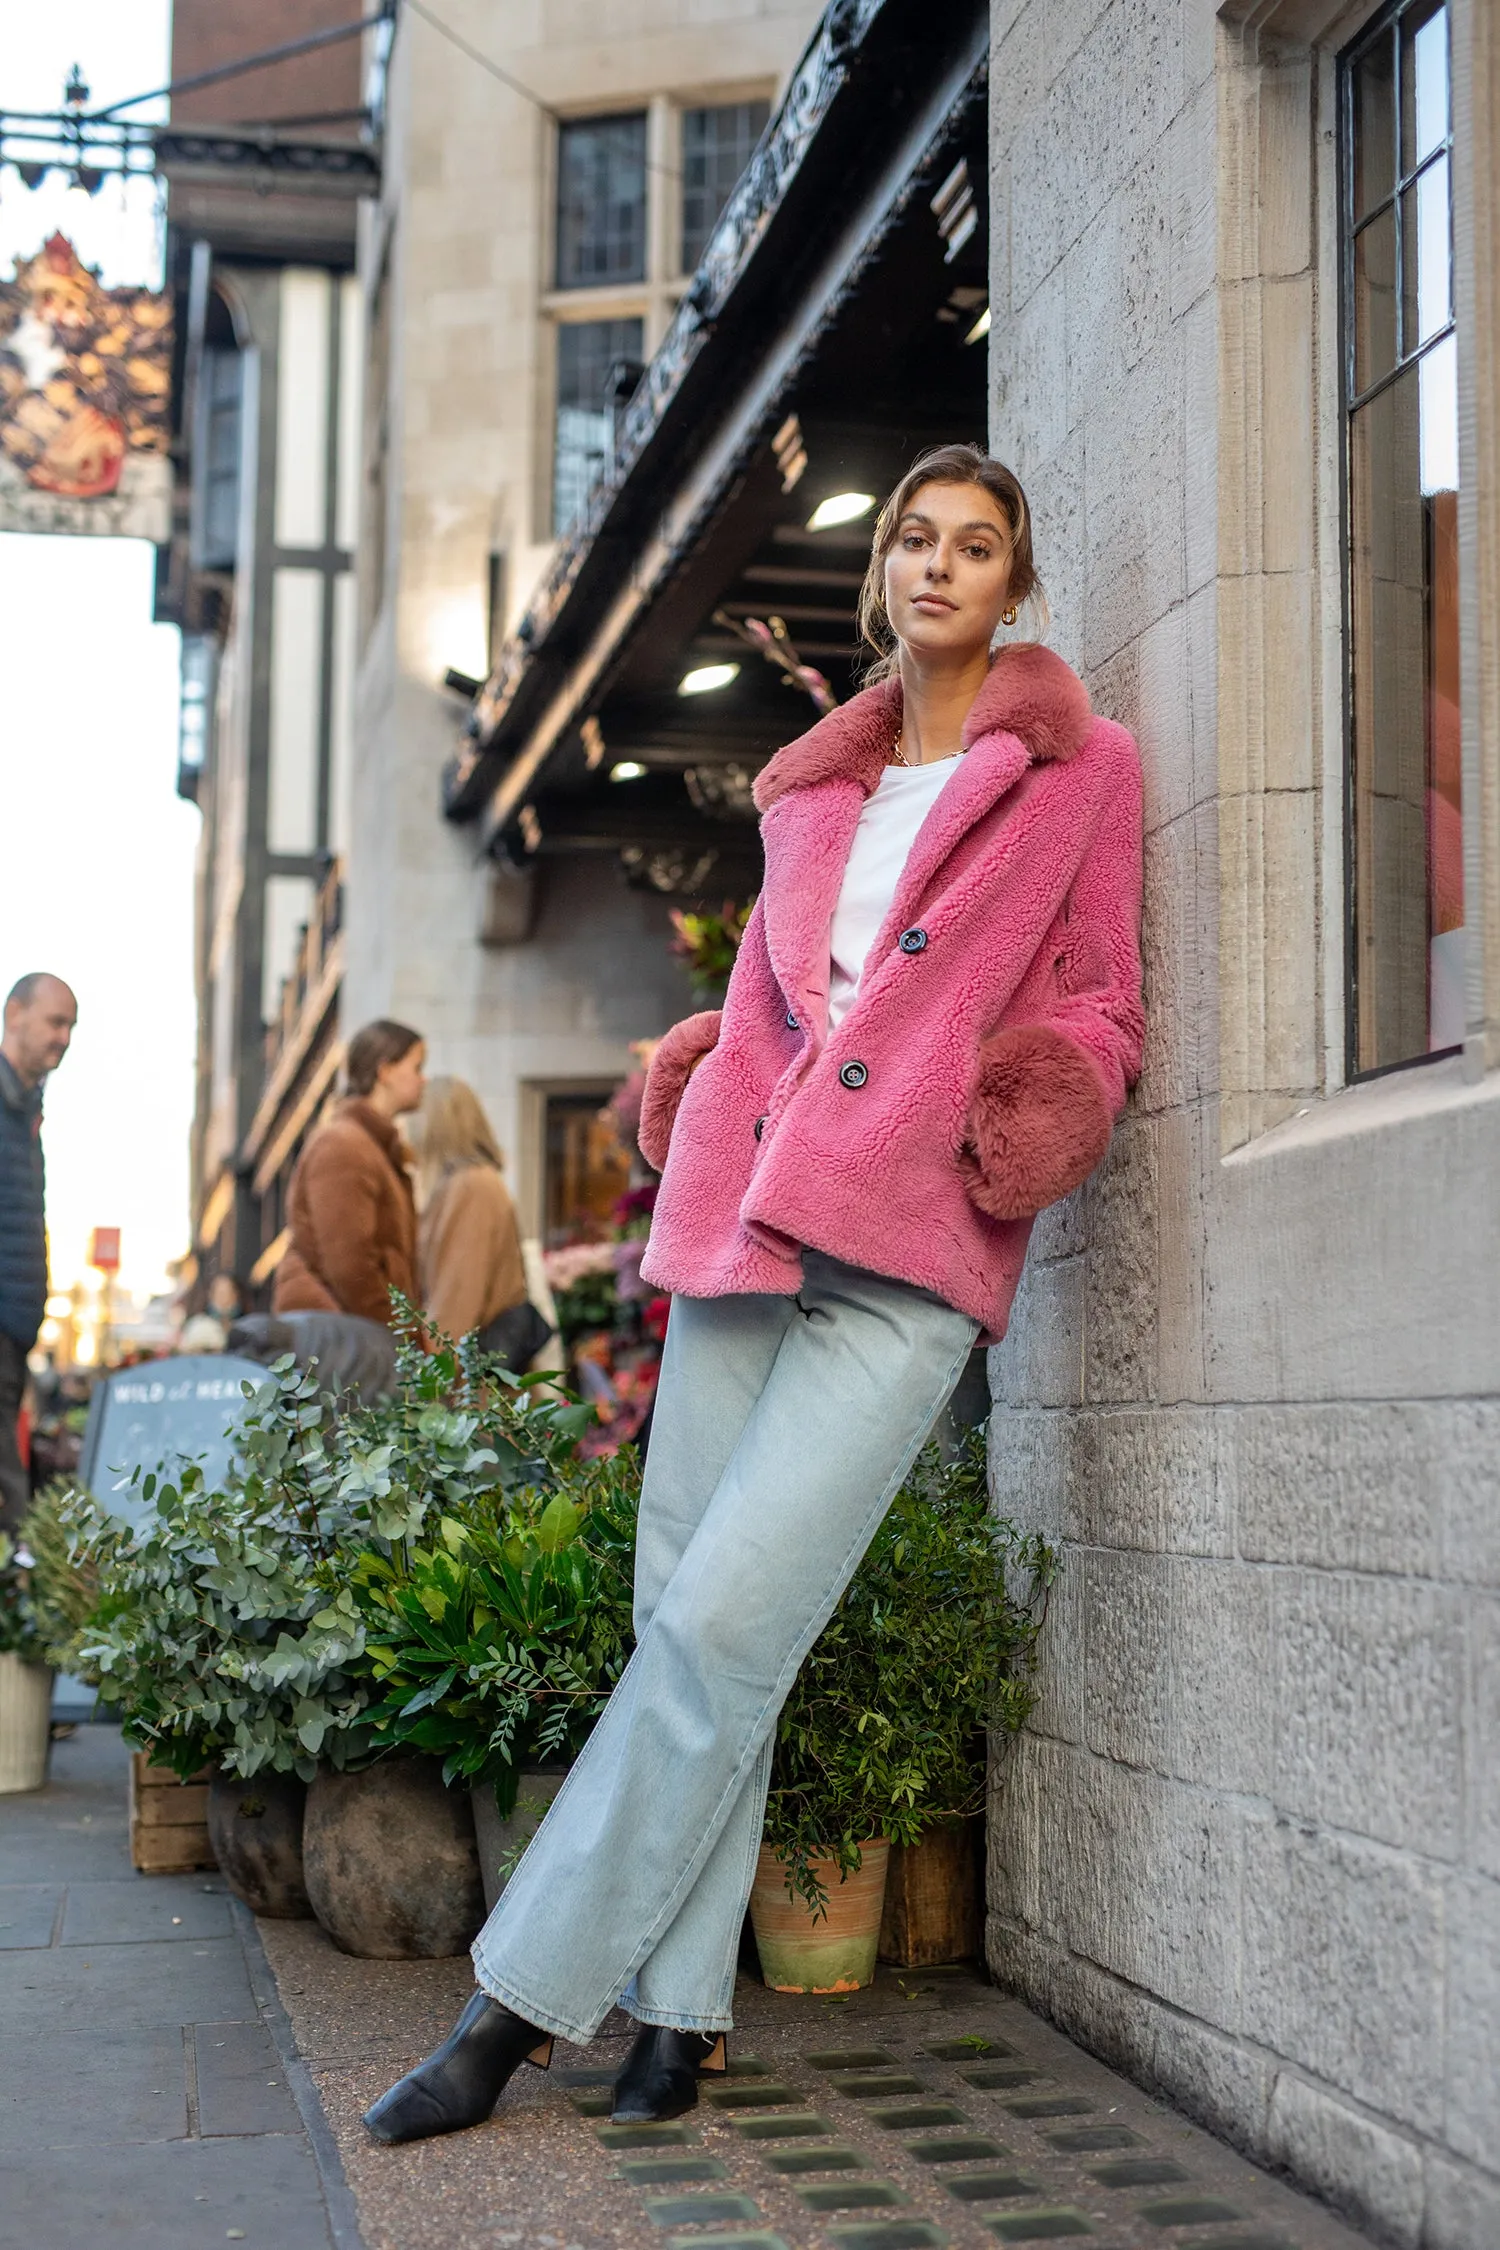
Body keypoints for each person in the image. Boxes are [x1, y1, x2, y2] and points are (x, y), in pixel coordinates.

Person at [365, 443, 1145, 2143]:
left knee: (727, 1627)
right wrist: (704, 1061)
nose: (939, 567)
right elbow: (793, 998)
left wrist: (1024, 1118)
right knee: (689, 1626)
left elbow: (1102, 1009)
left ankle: (510, 2009)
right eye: (914, 542)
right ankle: (684, 2018)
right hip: (747, 1220)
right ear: (882, 581)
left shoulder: (1081, 776)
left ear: (1016, 584)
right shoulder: (811, 790)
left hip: (910, 1256)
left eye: (977, 546)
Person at [273, 1020, 425, 1329]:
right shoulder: (344, 1145)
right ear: (385, 1071)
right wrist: (399, 1336)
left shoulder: (372, 1147)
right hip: (338, 1338)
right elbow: (349, 1267)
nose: (424, 1080)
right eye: (417, 1067)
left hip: (351, 1332)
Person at [0, 973, 76, 1529]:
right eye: (56, 1021)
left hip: (13, 1328)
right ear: (15, 1015)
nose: (65, 1037)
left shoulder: (25, 1106)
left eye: (71, 1025)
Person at [407, 1076, 546, 1368]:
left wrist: (426, 1382)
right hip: (476, 1383)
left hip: (474, 1392)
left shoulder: (470, 1188)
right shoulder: (469, 1185)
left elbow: (456, 1303)